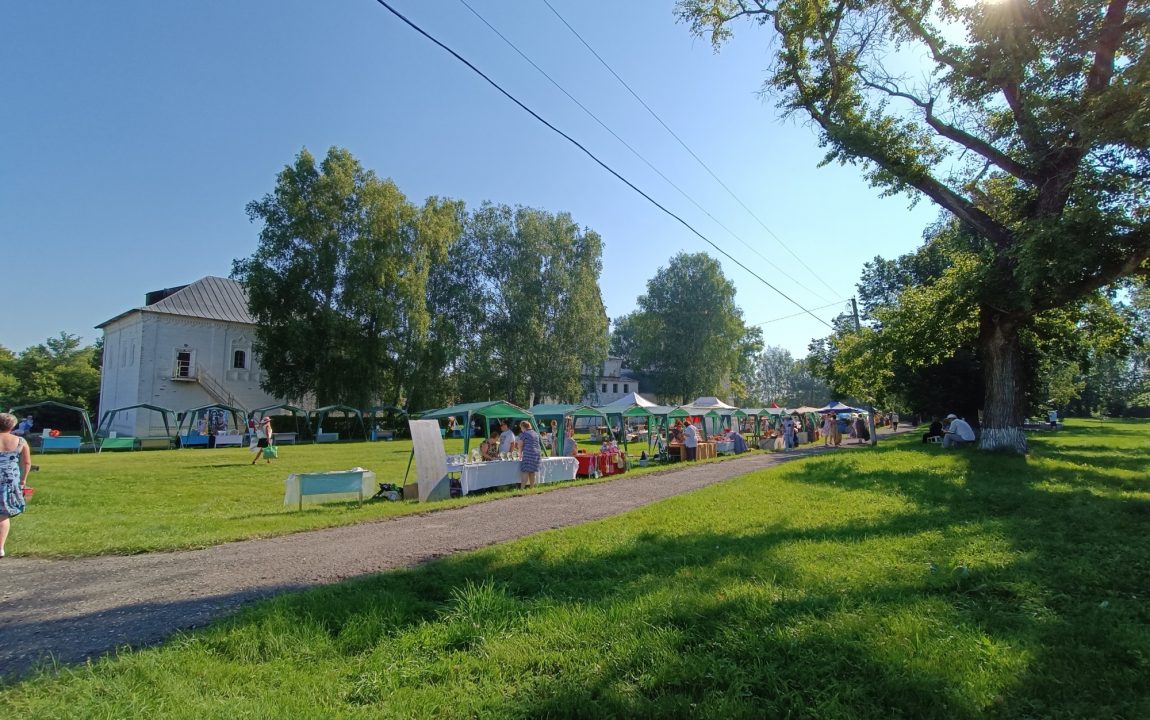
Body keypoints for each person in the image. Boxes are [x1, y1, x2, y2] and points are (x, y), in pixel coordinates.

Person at [0, 413, 32, 558]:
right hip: (10, 479)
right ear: (12, 426)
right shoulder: (20, 441)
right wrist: (23, 480)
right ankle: (0, 547)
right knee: (2, 514)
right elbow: (26, 463)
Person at [517, 420, 541, 489]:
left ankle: (522, 488)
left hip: (528, 453)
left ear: (523, 427)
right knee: (532, 471)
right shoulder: (535, 433)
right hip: (536, 453)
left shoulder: (524, 434)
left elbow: (520, 445)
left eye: (521, 427)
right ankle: (531, 488)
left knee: (525, 471)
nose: (521, 429)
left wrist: (520, 454)